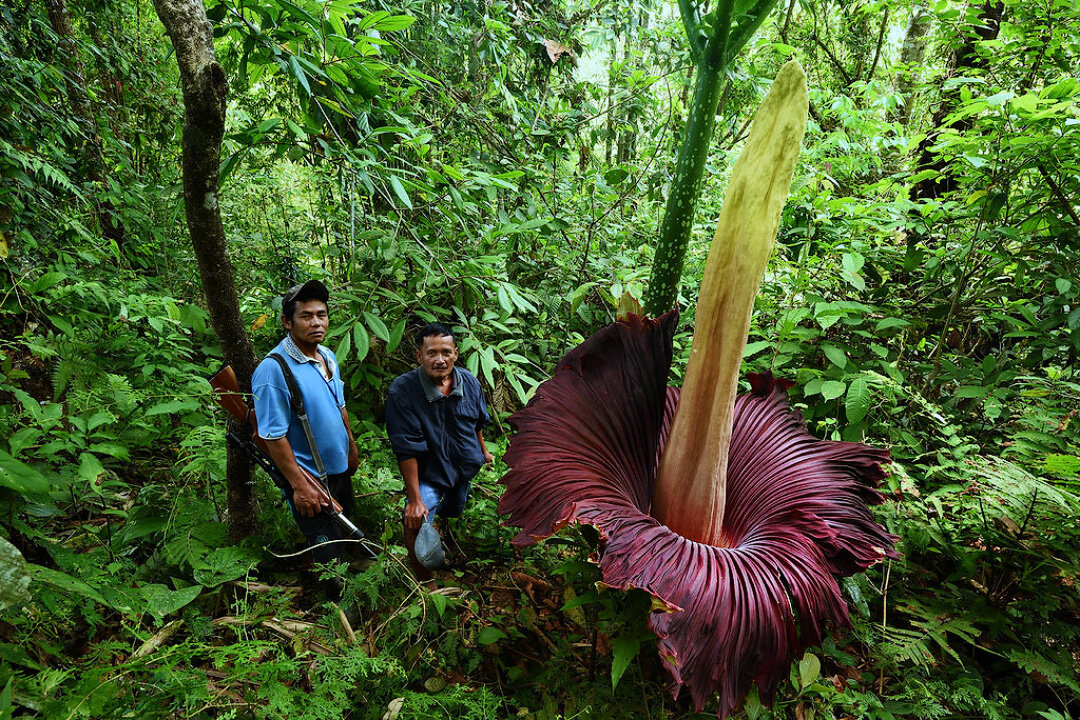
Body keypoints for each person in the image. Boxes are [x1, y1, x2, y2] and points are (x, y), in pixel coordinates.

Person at [251, 279, 359, 568]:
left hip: (338, 473)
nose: (316, 323)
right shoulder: (274, 369)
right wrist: (299, 485)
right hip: (310, 481)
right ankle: (337, 607)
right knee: (329, 557)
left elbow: (340, 406)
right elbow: (273, 436)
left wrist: (351, 446)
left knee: (346, 539)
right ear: (287, 322)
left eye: (321, 315)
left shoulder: (328, 356)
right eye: (306, 316)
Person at [385, 323, 495, 585]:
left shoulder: (468, 381)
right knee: (415, 520)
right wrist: (414, 499)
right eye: (432, 353)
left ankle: (444, 529)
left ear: (456, 353)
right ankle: (427, 584)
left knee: (454, 508)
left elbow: (477, 421)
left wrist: (483, 451)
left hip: (464, 468)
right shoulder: (404, 391)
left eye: (446, 352)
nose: (439, 359)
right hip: (429, 472)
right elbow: (406, 447)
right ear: (419, 356)